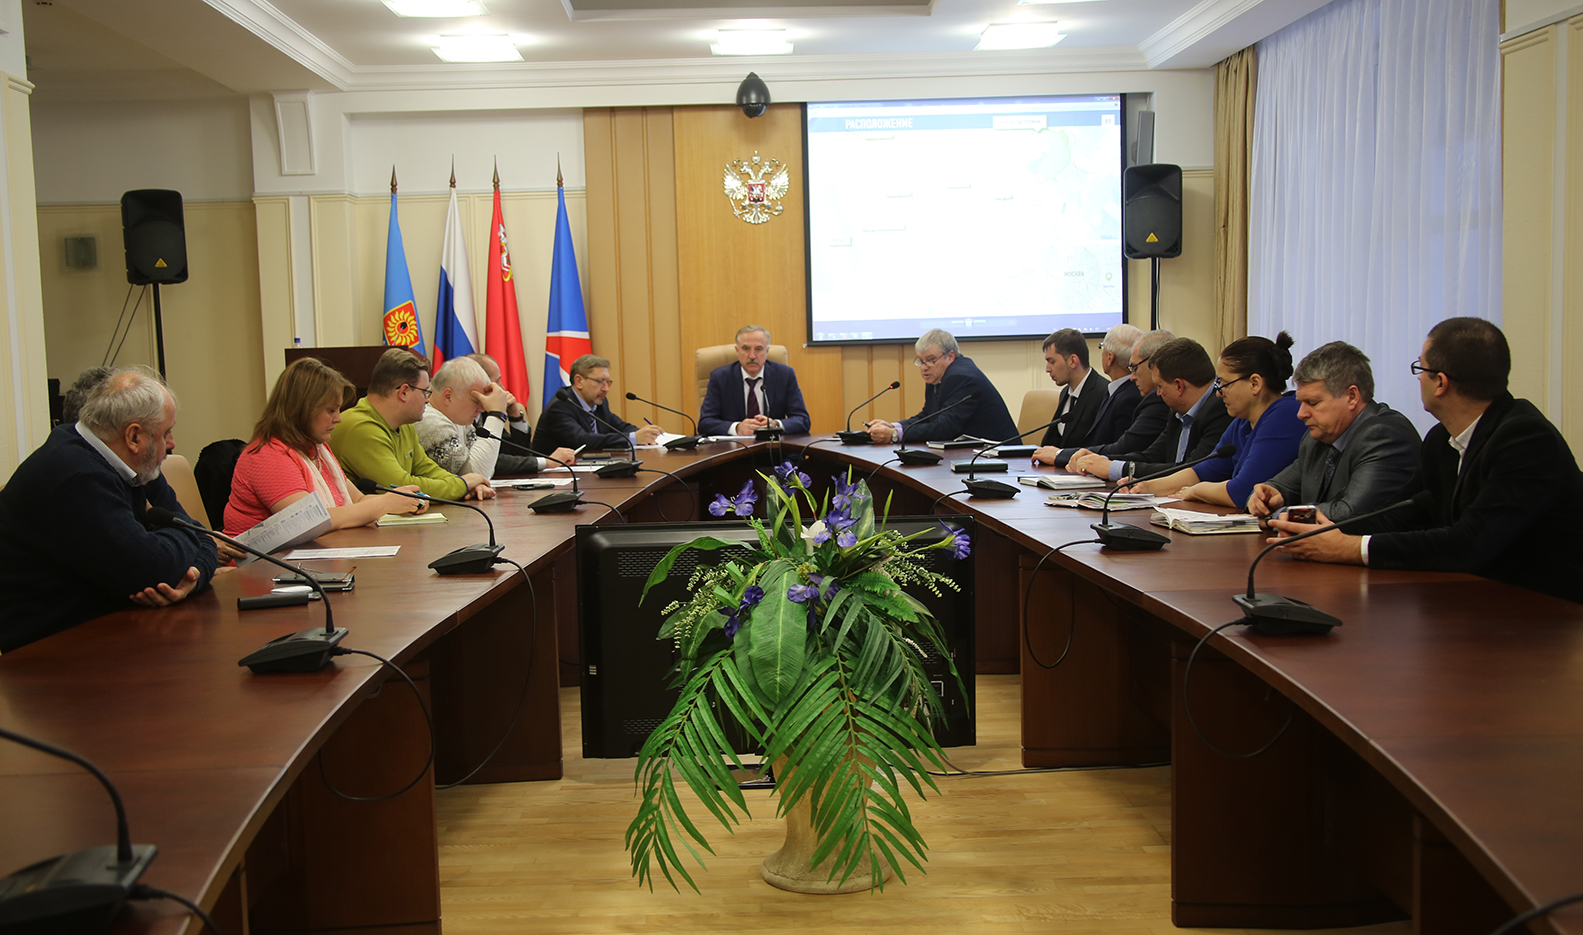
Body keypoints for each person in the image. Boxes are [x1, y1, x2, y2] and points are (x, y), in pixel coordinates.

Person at [1269, 317, 1583, 603]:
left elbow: (1470, 544)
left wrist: (1348, 548)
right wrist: (1324, 531)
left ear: (1441, 382)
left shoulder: (1526, 440)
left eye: (1420, 369)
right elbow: (1403, 514)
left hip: (1547, 613)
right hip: (1474, 602)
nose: (1418, 379)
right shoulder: (1441, 440)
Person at [0, 367, 222, 652]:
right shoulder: (75, 475)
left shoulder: (131, 462)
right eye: (165, 432)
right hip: (50, 651)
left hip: (109, 629)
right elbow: (155, 569)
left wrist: (193, 578)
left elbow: (200, 537)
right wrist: (180, 543)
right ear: (134, 437)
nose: (171, 444)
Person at [224, 357, 428, 536]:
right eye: (331, 411)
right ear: (302, 410)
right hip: (261, 565)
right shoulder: (267, 455)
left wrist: (401, 501)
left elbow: (358, 500)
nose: (338, 419)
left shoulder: (317, 449)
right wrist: (384, 503)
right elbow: (308, 521)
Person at [1125, 333, 1306, 507]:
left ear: (1255, 383)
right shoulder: (1242, 422)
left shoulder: (1286, 415)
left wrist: (1197, 491)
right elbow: (1203, 471)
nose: (1219, 394)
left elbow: (1242, 492)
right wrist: (1146, 487)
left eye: (1224, 384)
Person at [1246, 342, 1420, 523]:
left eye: (1312, 403)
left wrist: (1281, 514)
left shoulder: (1383, 437)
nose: (1301, 414)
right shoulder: (1317, 439)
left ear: (1351, 397)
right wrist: (1263, 497)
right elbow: (1279, 486)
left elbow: (1349, 514)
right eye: (1301, 403)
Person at [330, 348, 495, 501]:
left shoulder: (404, 424)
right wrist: (462, 485)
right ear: (404, 392)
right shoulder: (361, 428)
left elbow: (427, 470)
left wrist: (469, 485)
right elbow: (400, 486)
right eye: (425, 392)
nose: (428, 400)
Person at [1067, 337, 1232, 482]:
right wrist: (1100, 460)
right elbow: (1152, 455)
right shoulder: (1178, 412)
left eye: (1160, 386)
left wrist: (1113, 468)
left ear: (1179, 386)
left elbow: (1190, 471)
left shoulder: (1220, 410)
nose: (1158, 393)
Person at [417, 357, 575, 478]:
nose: (482, 408)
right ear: (448, 396)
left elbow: (484, 468)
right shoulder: (430, 421)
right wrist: (496, 414)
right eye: (476, 401)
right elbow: (477, 473)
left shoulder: (458, 418)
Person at [1041, 329, 1171, 468]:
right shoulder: (1109, 391)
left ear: (1110, 358)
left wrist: (1063, 455)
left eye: (1134, 367)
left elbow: (1125, 449)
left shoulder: (1137, 397)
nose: (1133, 377)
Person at [864, 329, 1018, 444]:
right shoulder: (938, 375)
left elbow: (945, 428)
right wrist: (893, 426)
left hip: (1001, 455)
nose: (924, 367)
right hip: (974, 453)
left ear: (950, 356)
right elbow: (928, 415)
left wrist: (894, 435)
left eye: (931, 360)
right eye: (921, 361)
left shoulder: (961, 377)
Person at [536, 354, 666, 452]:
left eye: (607, 382)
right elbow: (582, 440)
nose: (606, 389)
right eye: (600, 382)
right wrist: (633, 438)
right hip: (554, 475)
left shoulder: (598, 402)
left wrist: (646, 434)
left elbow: (619, 426)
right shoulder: (560, 406)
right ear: (579, 381)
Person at [699, 325, 811, 436]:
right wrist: (737, 428)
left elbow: (803, 420)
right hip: (734, 446)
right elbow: (705, 422)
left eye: (758, 349)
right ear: (737, 351)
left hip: (773, 446)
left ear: (767, 351)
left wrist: (775, 425)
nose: (752, 356)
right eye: (746, 349)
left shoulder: (784, 375)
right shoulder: (720, 377)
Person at [464, 352, 544, 473]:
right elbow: (489, 462)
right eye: (497, 382)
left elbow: (518, 453)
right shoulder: (458, 416)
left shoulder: (485, 412)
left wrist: (515, 417)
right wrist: (545, 462)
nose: (502, 388)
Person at [1036, 328, 1108, 448]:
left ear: (1073, 361)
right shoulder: (1066, 393)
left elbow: (1097, 446)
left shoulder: (1103, 393)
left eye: (1052, 362)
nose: (1047, 369)